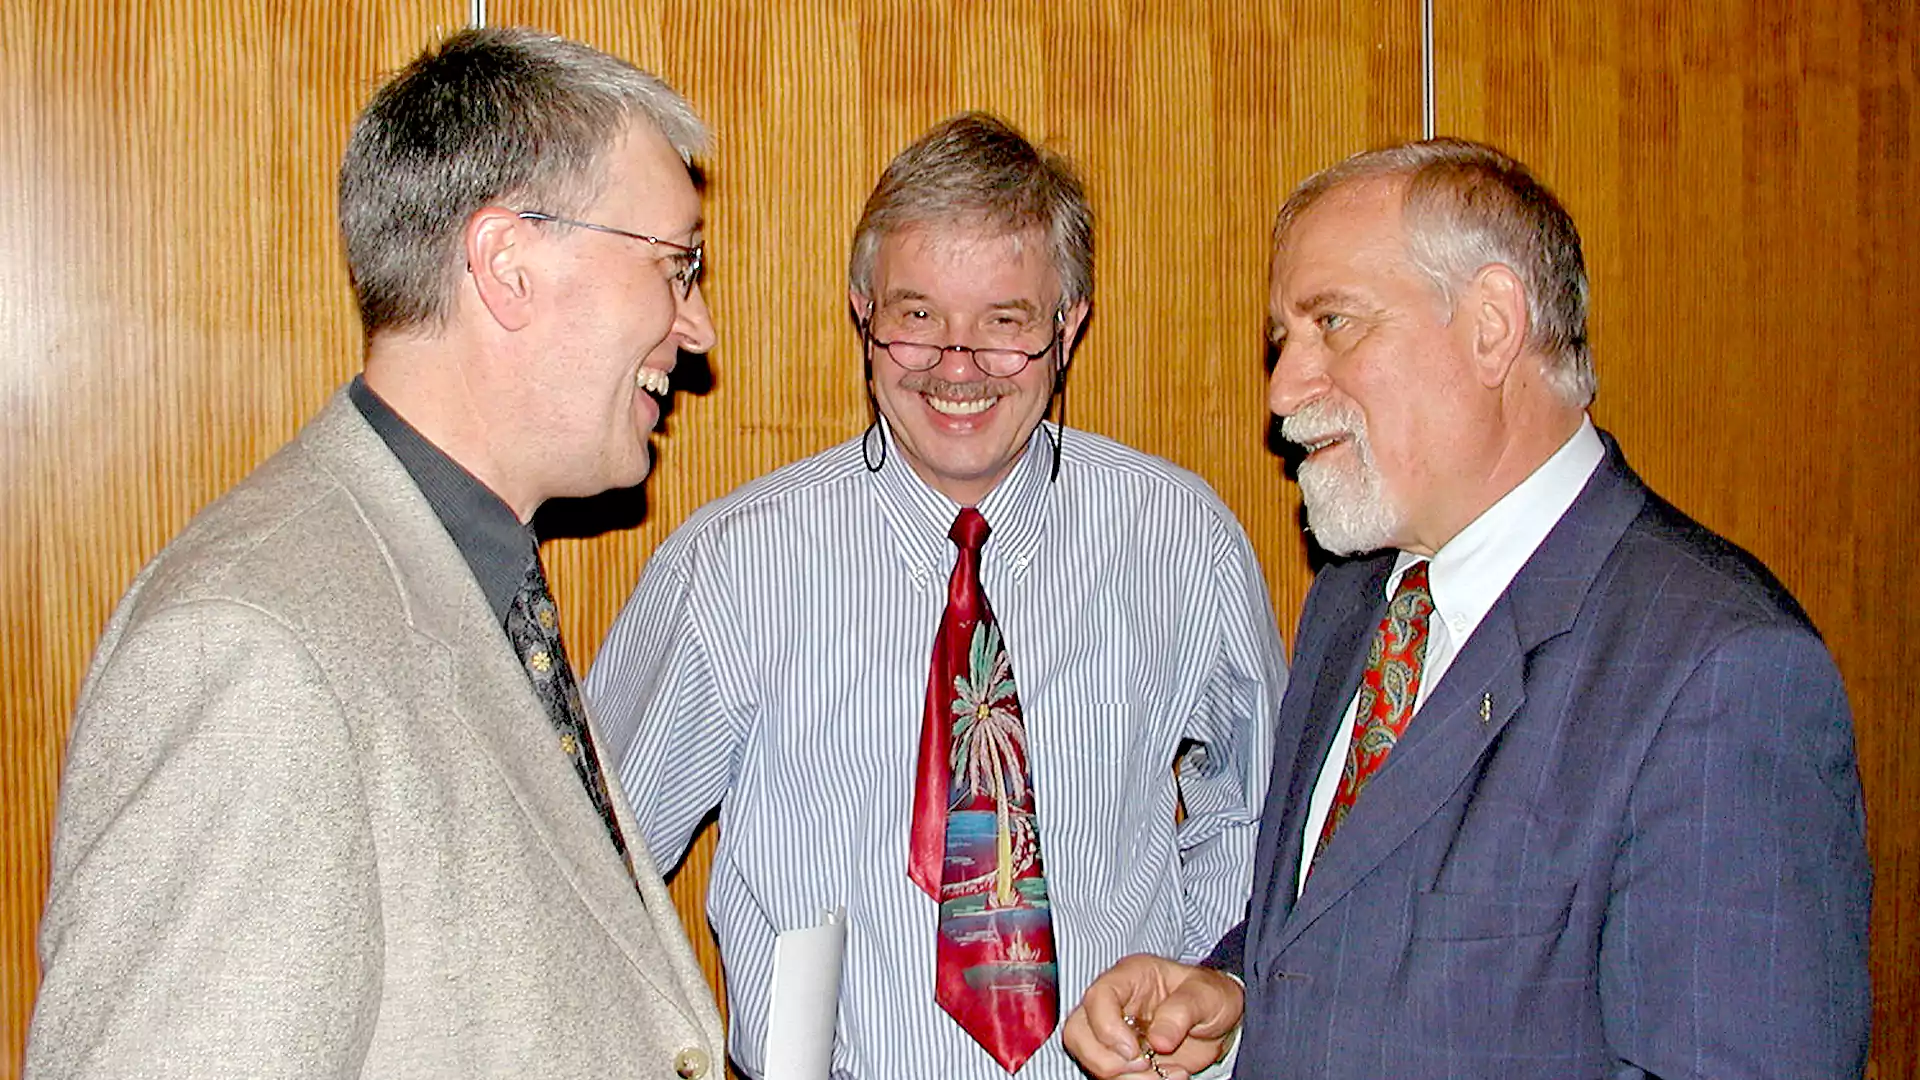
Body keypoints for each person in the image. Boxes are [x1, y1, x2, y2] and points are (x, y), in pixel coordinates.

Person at [1065, 136, 1874, 1080]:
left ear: (1493, 324)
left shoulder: (1718, 673)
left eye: (1335, 323)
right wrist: (1236, 998)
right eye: (1285, 341)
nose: (1284, 390)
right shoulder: (1353, 603)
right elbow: (1360, 930)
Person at [27, 27, 725, 1080]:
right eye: (676, 266)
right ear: (507, 264)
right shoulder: (255, 650)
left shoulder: (458, 580)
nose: (699, 325)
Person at [585, 112, 1288, 1078]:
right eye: (917, 316)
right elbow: (587, 869)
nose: (957, 366)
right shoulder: (733, 570)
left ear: (1067, 326)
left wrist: (1199, 986)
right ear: (862, 313)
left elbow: (1260, 814)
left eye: (1005, 323)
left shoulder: (1181, 543)